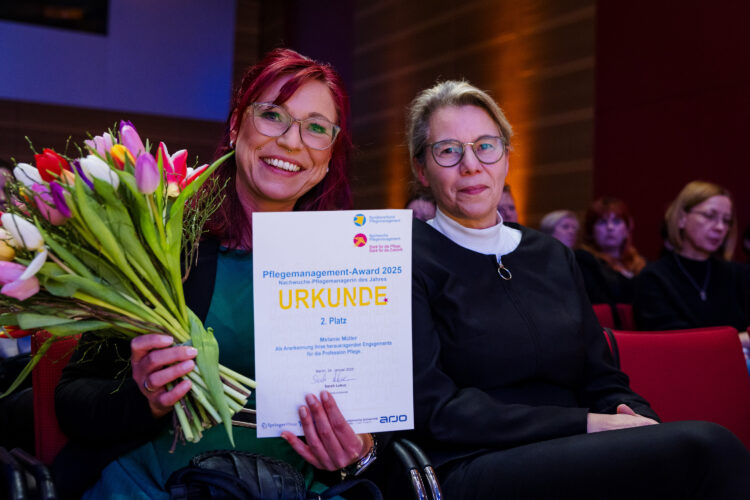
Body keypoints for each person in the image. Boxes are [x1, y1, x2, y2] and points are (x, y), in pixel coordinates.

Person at [54, 49, 377, 499]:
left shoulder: (357, 265)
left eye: (316, 128)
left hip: (303, 488)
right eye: (272, 116)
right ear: (235, 126)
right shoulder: (163, 246)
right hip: (159, 484)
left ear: (329, 156)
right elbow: (72, 400)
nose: (290, 141)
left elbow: (388, 419)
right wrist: (141, 397)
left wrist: (360, 452)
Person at [405, 80, 750, 499]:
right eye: (448, 150)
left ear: (507, 158)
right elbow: (436, 410)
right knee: (710, 449)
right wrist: (585, 423)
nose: (471, 164)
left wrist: (639, 419)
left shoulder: (551, 256)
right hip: (472, 460)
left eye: (485, 146)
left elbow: (602, 378)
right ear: (422, 169)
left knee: (689, 452)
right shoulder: (409, 257)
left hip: (577, 445)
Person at [634, 181, 750, 334]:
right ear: (682, 218)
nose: (720, 227)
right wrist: (737, 340)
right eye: (710, 216)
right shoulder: (654, 278)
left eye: (726, 221)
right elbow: (670, 339)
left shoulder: (739, 274)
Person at [575, 197, 646, 305]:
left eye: (616, 221)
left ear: (626, 229)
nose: (610, 227)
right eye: (602, 222)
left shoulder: (640, 262)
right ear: (591, 230)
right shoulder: (584, 261)